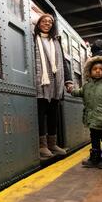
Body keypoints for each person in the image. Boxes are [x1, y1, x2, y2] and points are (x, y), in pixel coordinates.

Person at [33, 14, 73, 158]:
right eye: (44, 21)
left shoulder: (56, 40)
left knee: (53, 114)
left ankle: (52, 144)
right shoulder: (33, 38)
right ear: (38, 23)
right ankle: (42, 145)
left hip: (56, 83)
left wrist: (68, 80)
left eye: (50, 22)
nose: (47, 23)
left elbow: (62, 61)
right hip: (41, 82)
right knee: (41, 113)